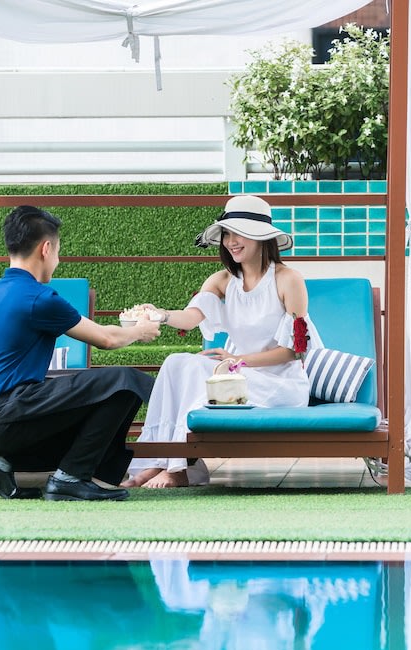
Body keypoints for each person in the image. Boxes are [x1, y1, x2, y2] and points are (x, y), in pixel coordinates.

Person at [0, 205, 159, 501]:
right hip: (5, 420)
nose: (58, 260)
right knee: (124, 382)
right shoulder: (38, 298)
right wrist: (140, 331)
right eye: (58, 252)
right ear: (46, 248)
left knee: (95, 392)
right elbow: (105, 339)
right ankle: (71, 478)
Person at [124, 195, 322, 488]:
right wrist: (159, 314)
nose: (231, 241)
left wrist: (238, 361)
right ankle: (162, 460)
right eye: (227, 234)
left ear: (262, 237)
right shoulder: (221, 280)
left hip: (278, 385)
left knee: (200, 372)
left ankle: (179, 468)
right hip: (238, 374)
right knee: (177, 362)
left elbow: (294, 351)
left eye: (239, 233)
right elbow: (191, 318)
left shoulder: (288, 279)